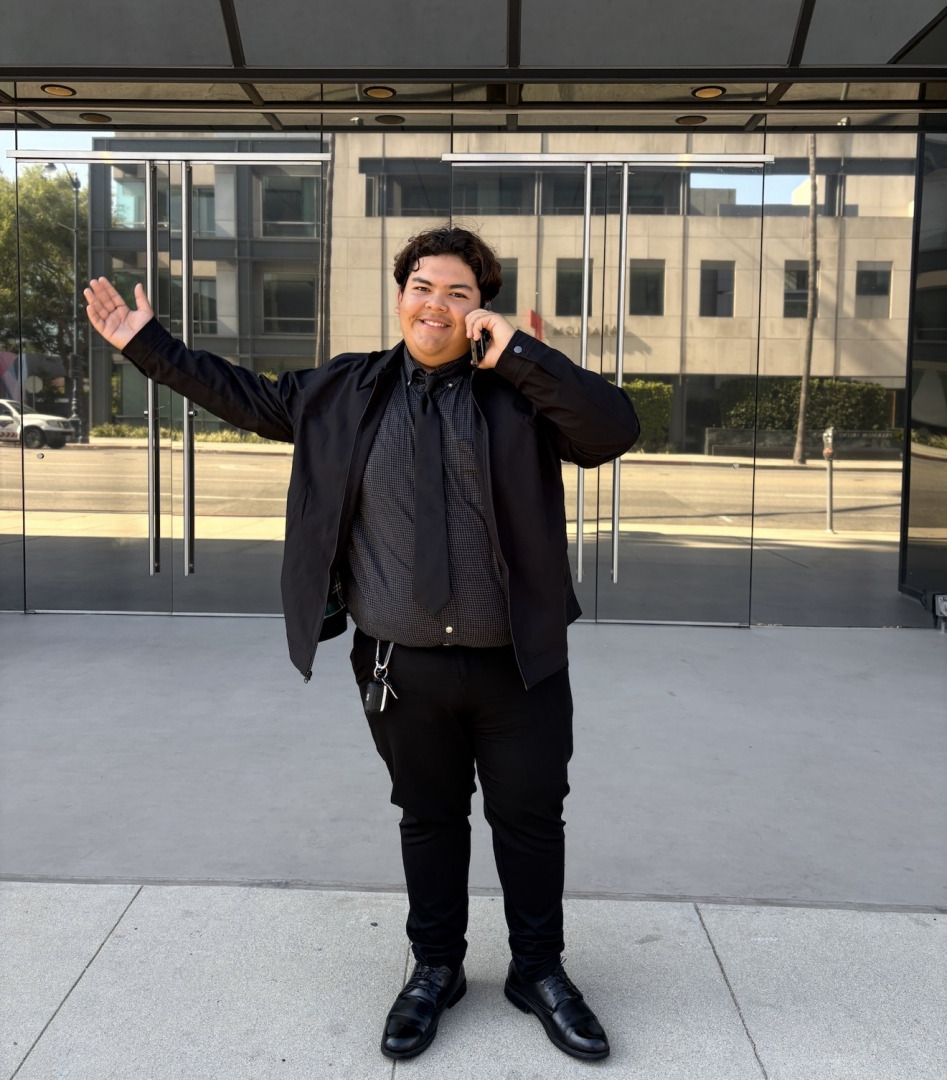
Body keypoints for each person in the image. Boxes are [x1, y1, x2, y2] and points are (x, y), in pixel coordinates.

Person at [85, 226, 639, 1062]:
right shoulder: (345, 389)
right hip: (399, 667)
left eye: (457, 292)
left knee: (530, 822)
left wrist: (522, 354)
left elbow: (611, 431)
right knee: (428, 818)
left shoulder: (521, 391)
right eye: (423, 287)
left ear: (479, 308)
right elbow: (244, 396)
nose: (436, 304)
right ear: (400, 296)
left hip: (517, 666)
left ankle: (537, 971)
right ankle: (435, 968)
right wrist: (148, 346)